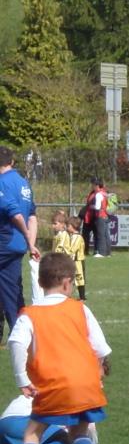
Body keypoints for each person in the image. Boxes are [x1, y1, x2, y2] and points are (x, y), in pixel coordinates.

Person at [6, 252, 111, 444]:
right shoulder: (80, 308)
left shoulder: (30, 314)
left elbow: (16, 343)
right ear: (67, 283)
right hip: (85, 384)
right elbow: (101, 349)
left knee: (33, 433)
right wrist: (95, 377)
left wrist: (22, 378)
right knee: (80, 429)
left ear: (40, 283)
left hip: (52, 384)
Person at [0, 146, 40, 343]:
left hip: (4, 243)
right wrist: (30, 244)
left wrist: (25, 235)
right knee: (12, 292)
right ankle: (23, 336)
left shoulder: (2, 183)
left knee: (11, 290)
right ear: (12, 162)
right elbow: (32, 217)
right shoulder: (24, 183)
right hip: (17, 247)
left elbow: (15, 214)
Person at [66, 216, 87, 301]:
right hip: (74, 260)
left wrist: (65, 252)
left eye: (68, 226)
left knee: (79, 278)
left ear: (73, 226)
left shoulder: (77, 237)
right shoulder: (73, 236)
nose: (67, 228)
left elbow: (72, 249)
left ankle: (82, 297)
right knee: (72, 278)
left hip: (78, 261)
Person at [90, 178, 111, 257]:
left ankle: (101, 253)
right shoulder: (104, 193)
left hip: (100, 216)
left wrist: (92, 206)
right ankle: (108, 253)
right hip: (106, 216)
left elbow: (97, 207)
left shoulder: (98, 194)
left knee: (100, 235)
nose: (92, 187)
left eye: (93, 185)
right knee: (106, 235)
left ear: (97, 186)